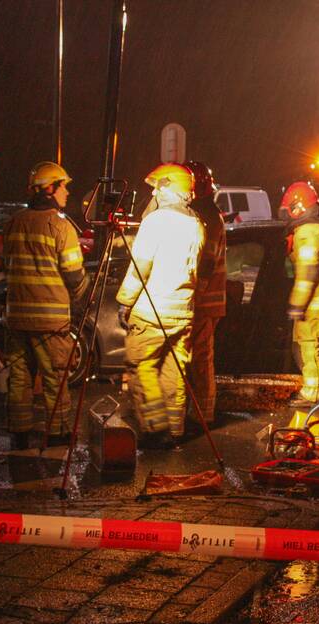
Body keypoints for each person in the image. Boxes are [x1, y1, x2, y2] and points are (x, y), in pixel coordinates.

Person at [117, 163, 205, 450]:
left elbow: (140, 268)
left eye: (158, 186)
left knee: (142, 367)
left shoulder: (156, 221)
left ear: (171, 188)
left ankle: (155, 430)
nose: (153, 191)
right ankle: (175, 430)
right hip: (183, 313)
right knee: (174, 372)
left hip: (152, 310)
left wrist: (125, 302)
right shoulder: (196, 224)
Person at [3, 161, 88, 450]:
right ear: (50, 189)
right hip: (50, 322)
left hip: (15, 318)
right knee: (55, 378)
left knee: (19, 378)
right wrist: (81, 297)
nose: (67, 192)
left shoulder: (14, 222)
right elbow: (74, 275)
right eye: (63, 186)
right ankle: (58, 432)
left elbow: (7, 263)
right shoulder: (60, 227)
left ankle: (20, 432)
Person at [279, 181, 319, 407]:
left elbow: (308, 272)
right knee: (302, 347)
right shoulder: (318, 228)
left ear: (297, 206)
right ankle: (312, 389)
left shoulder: (306, 232)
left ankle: (312, 394)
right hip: (316, 303)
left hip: (311, 305)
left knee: (309, 348)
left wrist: (297, 304)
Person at [184, 160, 226, 430]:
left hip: (204, 302)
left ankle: (203, 415)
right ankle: (199, 410)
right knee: (198, 358)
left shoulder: (207, 217)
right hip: (208, 301)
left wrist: (194, 296)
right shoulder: (207, 213)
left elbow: (207, 262)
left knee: (200, 359)